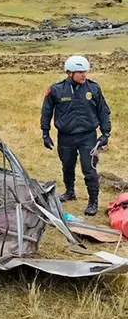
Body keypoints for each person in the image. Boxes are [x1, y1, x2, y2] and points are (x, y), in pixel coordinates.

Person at [40, 56, 111, 216]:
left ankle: (93, 202)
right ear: (70, 73)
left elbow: (103, 111)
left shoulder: (93, 88)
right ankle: (70, 192)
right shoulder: (56, 89)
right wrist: (45, 133)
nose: (84, 75)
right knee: (67, 166)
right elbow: (46, 112)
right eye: (80, 72)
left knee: (89, 169)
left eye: (85, 72)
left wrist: (105, 133)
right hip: (65, 137)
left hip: (88, 137)